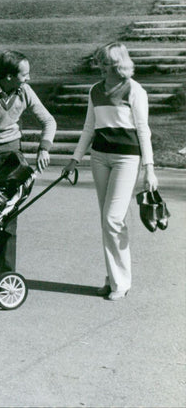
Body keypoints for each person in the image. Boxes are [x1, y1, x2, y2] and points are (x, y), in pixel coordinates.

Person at [63, 42, 157, 301]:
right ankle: (113, 277)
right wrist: (75, 159)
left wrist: (149, 169)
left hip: (127, 160)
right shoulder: (95, 91)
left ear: (117, 64)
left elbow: (143, 131)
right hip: (100, 158)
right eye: (99, 62)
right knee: (107, 219)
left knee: (113, 219)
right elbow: (88, 127)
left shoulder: (135, 90)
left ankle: (121, 282)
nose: (100, 67)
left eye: (104, 62)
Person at [0, 50, 57, 274]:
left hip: (13, 159)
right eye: (24, 74)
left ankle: (4, 274)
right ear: (9, 76)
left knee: (8, 217)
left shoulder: (24, 91)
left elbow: (49, 121)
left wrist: (44, 148)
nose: (28, 78)